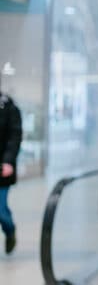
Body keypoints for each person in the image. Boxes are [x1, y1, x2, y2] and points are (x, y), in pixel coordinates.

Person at [0, 92, 22, 255]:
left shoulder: (9, 107)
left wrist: (8, 161)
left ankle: (10, 230)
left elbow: (15, 136)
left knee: (0, 210)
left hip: (2, 169)